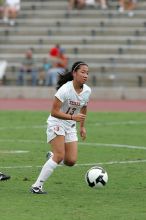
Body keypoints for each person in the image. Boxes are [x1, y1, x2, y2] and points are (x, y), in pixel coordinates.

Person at [31, 61, 91, 194]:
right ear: (74, 73)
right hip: (56, 122)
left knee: (71, 161)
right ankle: (37, 186)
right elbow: (54, 112)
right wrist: (72, 118)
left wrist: (82, 127)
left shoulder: (87, 90)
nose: (85, 75)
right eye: (82, 72)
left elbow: (84, 107)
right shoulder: (65, 89)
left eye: (87, 73)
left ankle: (52, 156)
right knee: (59, 155)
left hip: (70, 126)